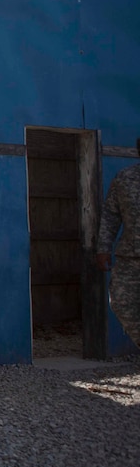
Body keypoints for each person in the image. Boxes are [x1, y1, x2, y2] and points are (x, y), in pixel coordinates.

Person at [96, 139, 140, 347]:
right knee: (122, 304)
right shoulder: (125, 178)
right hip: (130, 256)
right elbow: (111, 215)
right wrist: (104, 247)